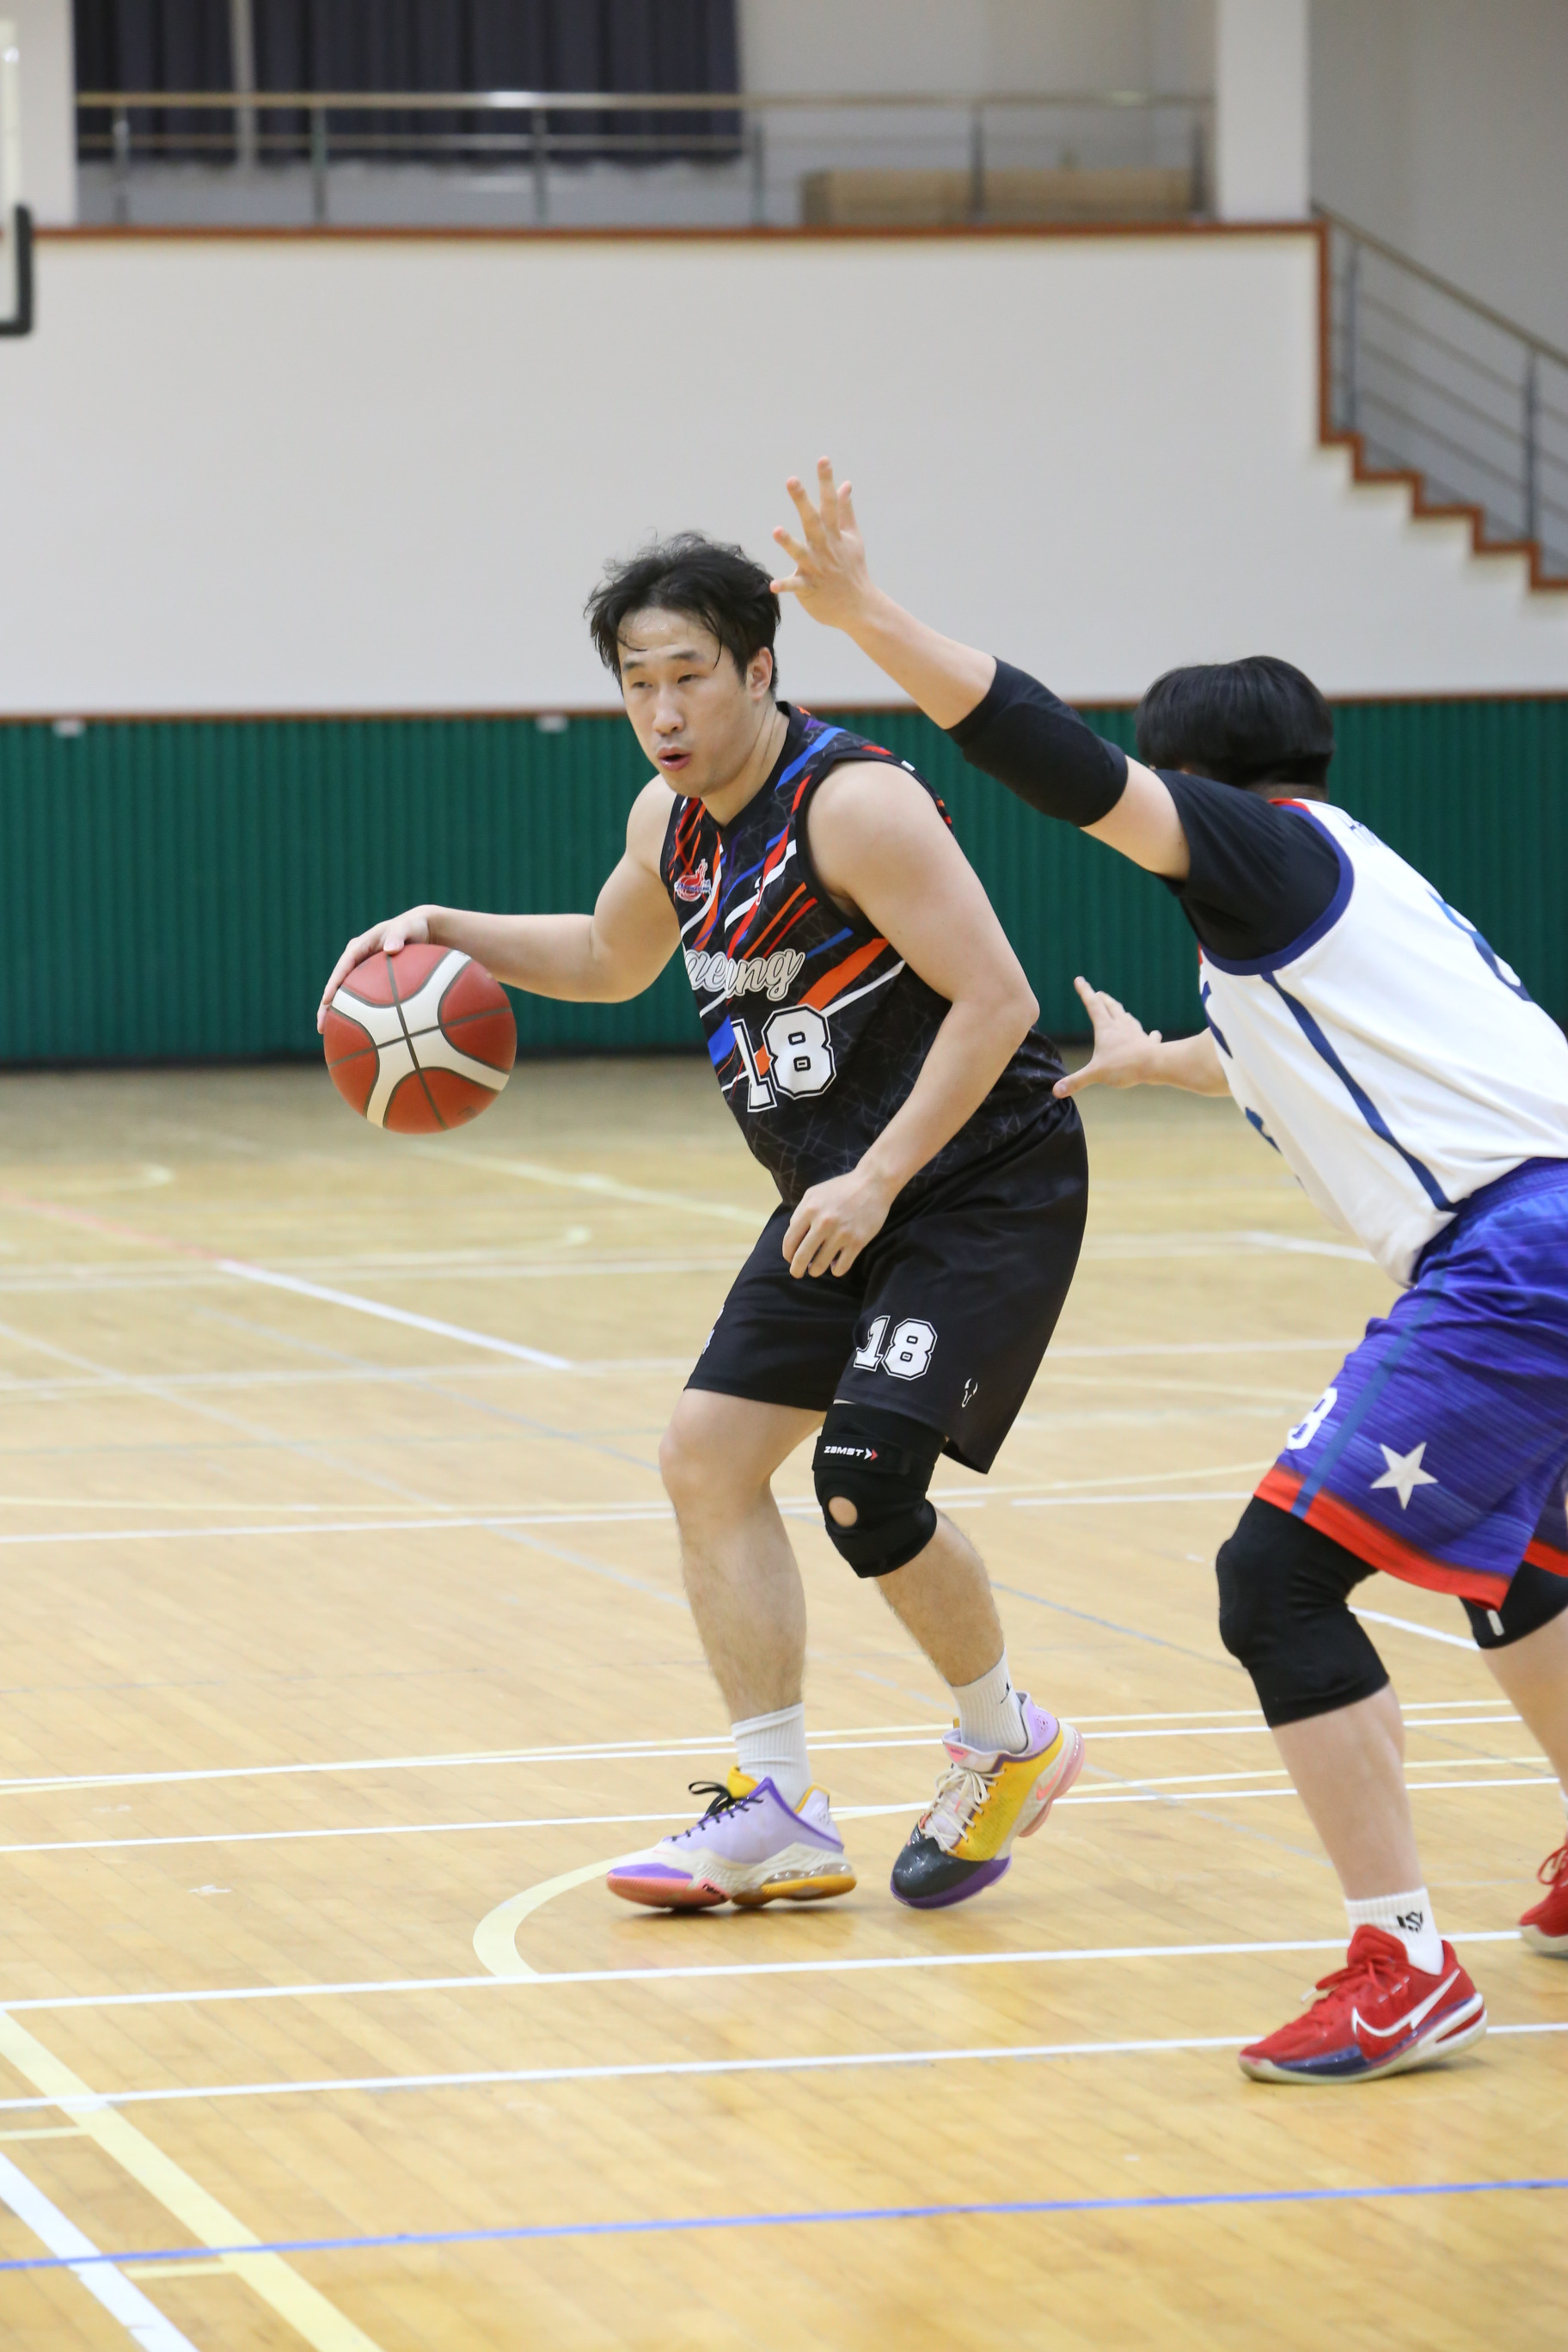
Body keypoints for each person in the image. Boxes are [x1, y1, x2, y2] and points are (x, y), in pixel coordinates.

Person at [769, 458, 1568, 2083]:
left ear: (1196, 780)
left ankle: (1404, 1966)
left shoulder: (1254, 848)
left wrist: (867, 617)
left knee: (1276, 1581)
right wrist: (1170, 1064)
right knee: (1519, 1566)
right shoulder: (1346, 884)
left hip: (1523, 1256)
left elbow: (1052, 756)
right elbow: (1331, 1067)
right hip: (1541, 1232)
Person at [316, 531, 1090, 1914]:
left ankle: (1006, 1739)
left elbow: (1001, 1002)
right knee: (705, 1460)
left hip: (979, 1179)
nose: (663, 712)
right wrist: (445, 929)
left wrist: (878, 1181)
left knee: (864, 1481)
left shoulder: (854, 808)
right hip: (832, 1192)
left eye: (689, 676)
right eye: (638, 684)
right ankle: (777, 1805)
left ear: (760, 669)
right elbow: (608, 959)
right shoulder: (666, 822)